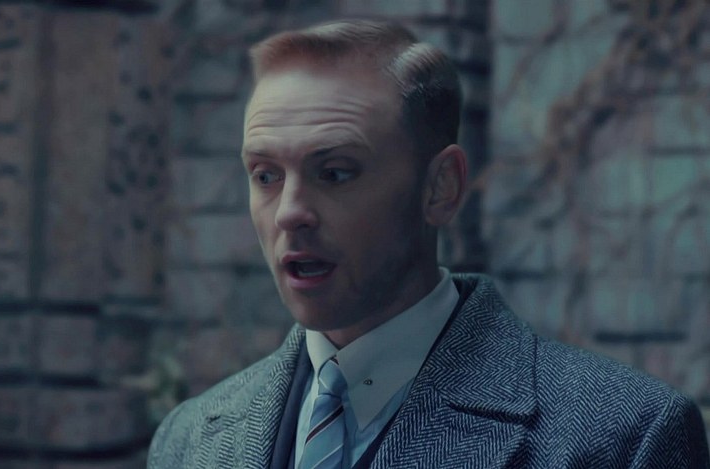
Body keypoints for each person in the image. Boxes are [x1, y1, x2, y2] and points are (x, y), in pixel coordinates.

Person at [148, 19, 710, 468]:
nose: (290, 212)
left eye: (336, 172)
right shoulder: (189, 439)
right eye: (266, 175)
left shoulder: (624, 437)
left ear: (441, 187)